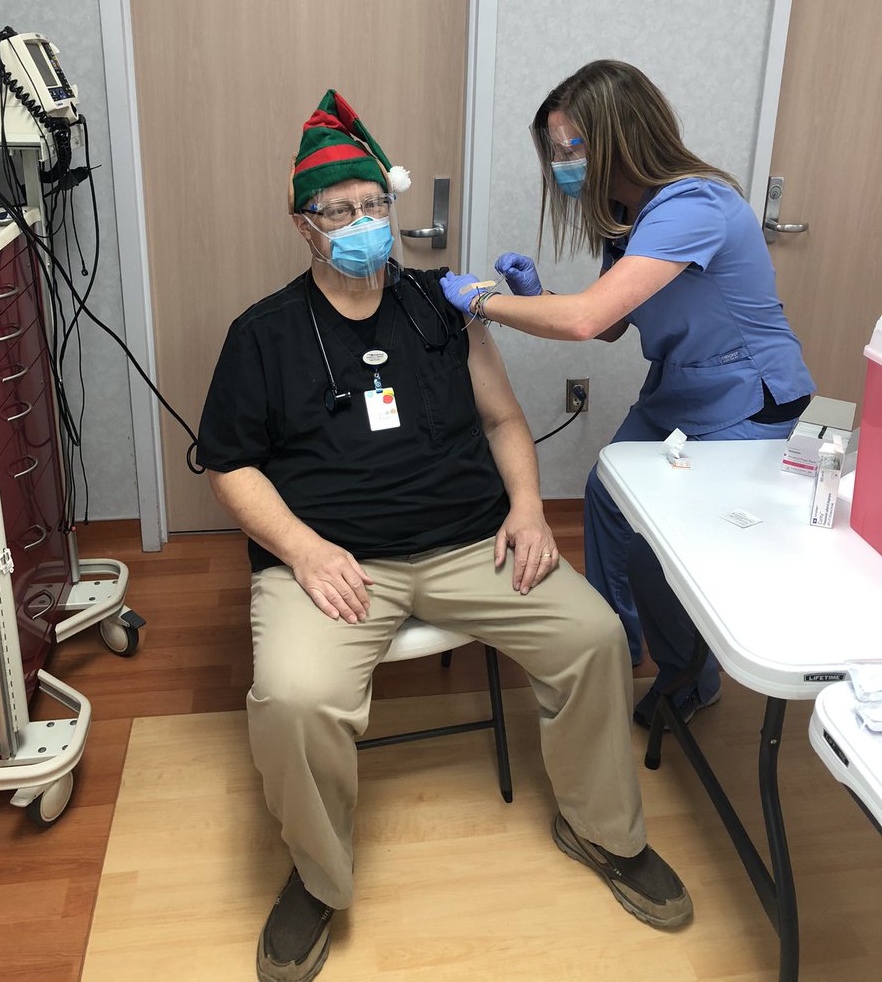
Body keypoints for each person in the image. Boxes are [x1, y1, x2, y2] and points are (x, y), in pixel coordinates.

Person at [198, 89, 693, 982]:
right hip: (337, 562)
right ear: (306, 229)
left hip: (473, 543)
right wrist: (305, 552)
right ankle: (317, 878)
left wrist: (530, 510)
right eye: (338, 212)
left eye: (373, 206)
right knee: (296, 697)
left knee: (592, 639)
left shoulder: (440, 306)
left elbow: (505, 422)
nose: (361, 224)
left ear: (392, 209)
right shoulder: (262, 336)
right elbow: (231, 465)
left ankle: (601, 833)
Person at [440, 60, 814, 730]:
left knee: (660, 543)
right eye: (556, 151)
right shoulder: (629, 214)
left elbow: (586, 321)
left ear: (619, 135)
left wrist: (485, 301)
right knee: (608, 499)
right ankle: (614, 650)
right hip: (682, 389)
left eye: (571, 148)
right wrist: (534, 295)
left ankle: (686, 677)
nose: (561, 163)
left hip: (748, 399)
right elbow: (610, 325)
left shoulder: (694, 205)